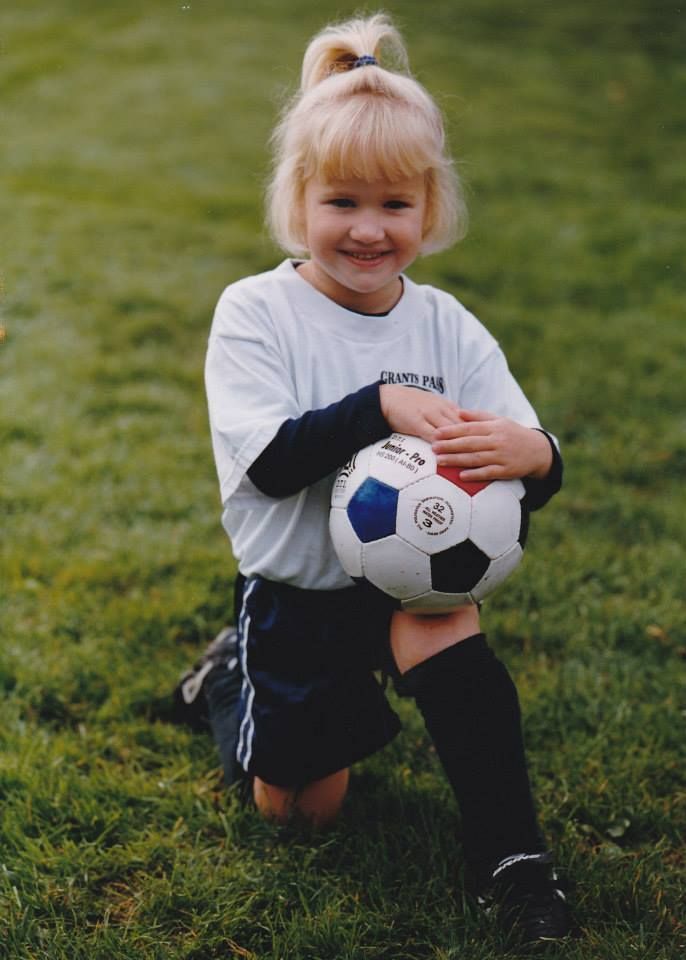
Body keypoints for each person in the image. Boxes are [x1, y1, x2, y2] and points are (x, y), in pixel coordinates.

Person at [173, 12, 575, 946]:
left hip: (413, 583)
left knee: (455, 642)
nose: (367, 229)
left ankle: (515, 866)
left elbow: (514, 458)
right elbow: (272, 467)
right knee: (302, 816)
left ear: (429, 209)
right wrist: (379, 403)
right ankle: (229, 680)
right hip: (299, 592)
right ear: (298, 200)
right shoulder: (256, 315)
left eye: (394, 206)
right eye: (342, 202)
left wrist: (543, 454)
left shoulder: (445, 325)